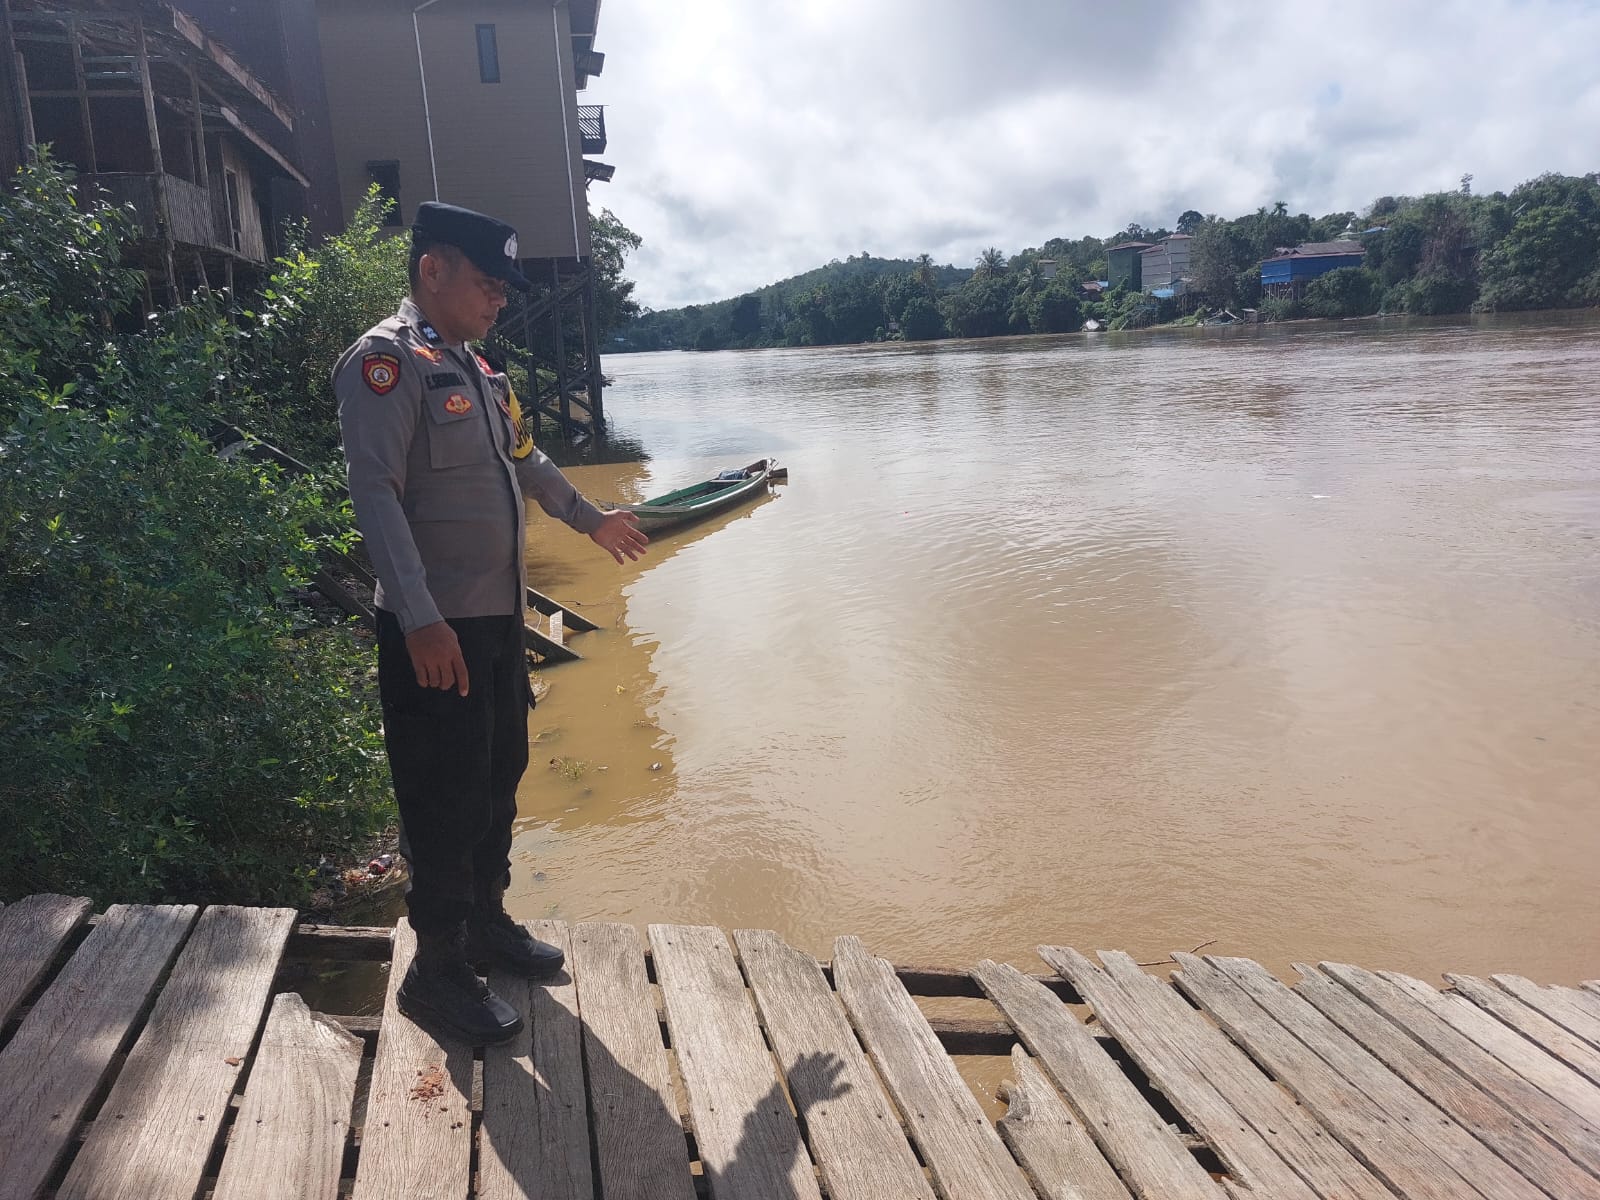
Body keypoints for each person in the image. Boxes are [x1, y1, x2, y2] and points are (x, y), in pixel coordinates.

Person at [333, 201, 647, 1044]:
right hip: (437, 630)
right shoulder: (386, 363)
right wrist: (419, 619)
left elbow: (527, 459)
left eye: (505, 288)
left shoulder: (477, 368)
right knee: (444, 795)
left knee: (499, 775)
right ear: (432, 270)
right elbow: (375, 494)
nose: (501, 298)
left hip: (497, 620)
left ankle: (485, 924)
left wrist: (591, 519)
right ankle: (435, 973)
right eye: (487, 283)